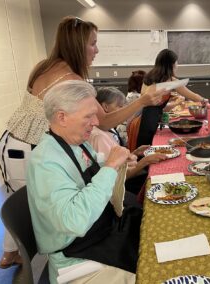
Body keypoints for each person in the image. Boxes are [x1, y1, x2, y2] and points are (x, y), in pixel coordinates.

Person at [0, 16, 166, 267]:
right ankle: (51, 257)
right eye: (93, 44)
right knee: (42, 209)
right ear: (78, 45)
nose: (97, 50)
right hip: (28, 146)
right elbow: (105, 121)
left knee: (25, 203)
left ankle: (13, 253)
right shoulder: (71, 80)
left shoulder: (43, 67)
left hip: (9, 143)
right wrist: (141, 102)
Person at [27, 80, 141, 284]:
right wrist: (110, 168)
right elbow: (75, 221)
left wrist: (116, 161)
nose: (96, 122)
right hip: (75, 259)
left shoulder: (75, 144)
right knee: (153, 273)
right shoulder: (44, 161)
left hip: (99, 233)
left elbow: (91, 167)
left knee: (149, 232)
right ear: (62, 117)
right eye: (89, 116)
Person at [89, 87, 167, 194]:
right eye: (119, 106)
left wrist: (135, 152)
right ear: (105, 107)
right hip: (120, 190)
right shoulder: (99, 137)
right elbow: (114, 178)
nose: (124, 111)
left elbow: (119, 161)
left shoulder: (110, 129)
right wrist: (144, 162)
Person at [129, 49, 206, 149]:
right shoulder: (170, 80)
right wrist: (205, 101)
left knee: (143, 153)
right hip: (148, 123)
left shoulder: (149, 77)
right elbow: (192, 95)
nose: (177, 65)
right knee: (147, 152)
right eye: (176, 62)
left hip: (139, 119)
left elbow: (152, 103)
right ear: (172, 64)